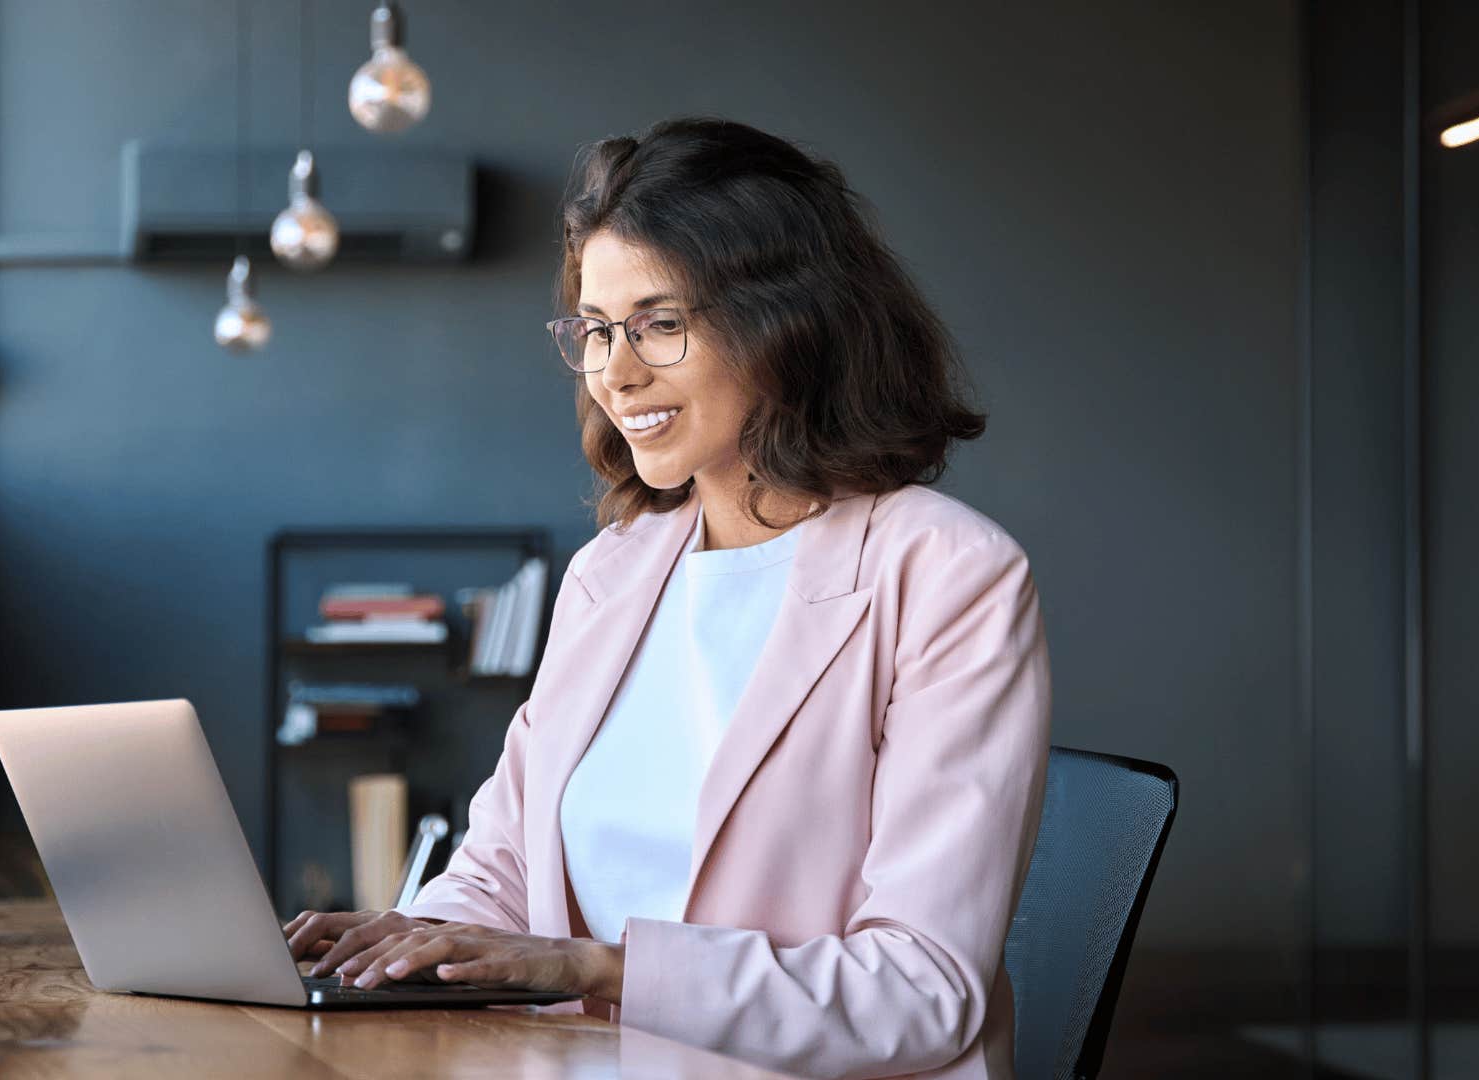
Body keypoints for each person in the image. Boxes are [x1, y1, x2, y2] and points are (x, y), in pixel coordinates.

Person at [283, 116, 1051, 1080]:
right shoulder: (614, 571)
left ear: (789, 323)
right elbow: (507, 867)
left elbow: (922, 991)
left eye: (660, 324)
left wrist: (594, 967)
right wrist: (411, 944)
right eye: (597, 330)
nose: (616, 371)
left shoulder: (948, 575)